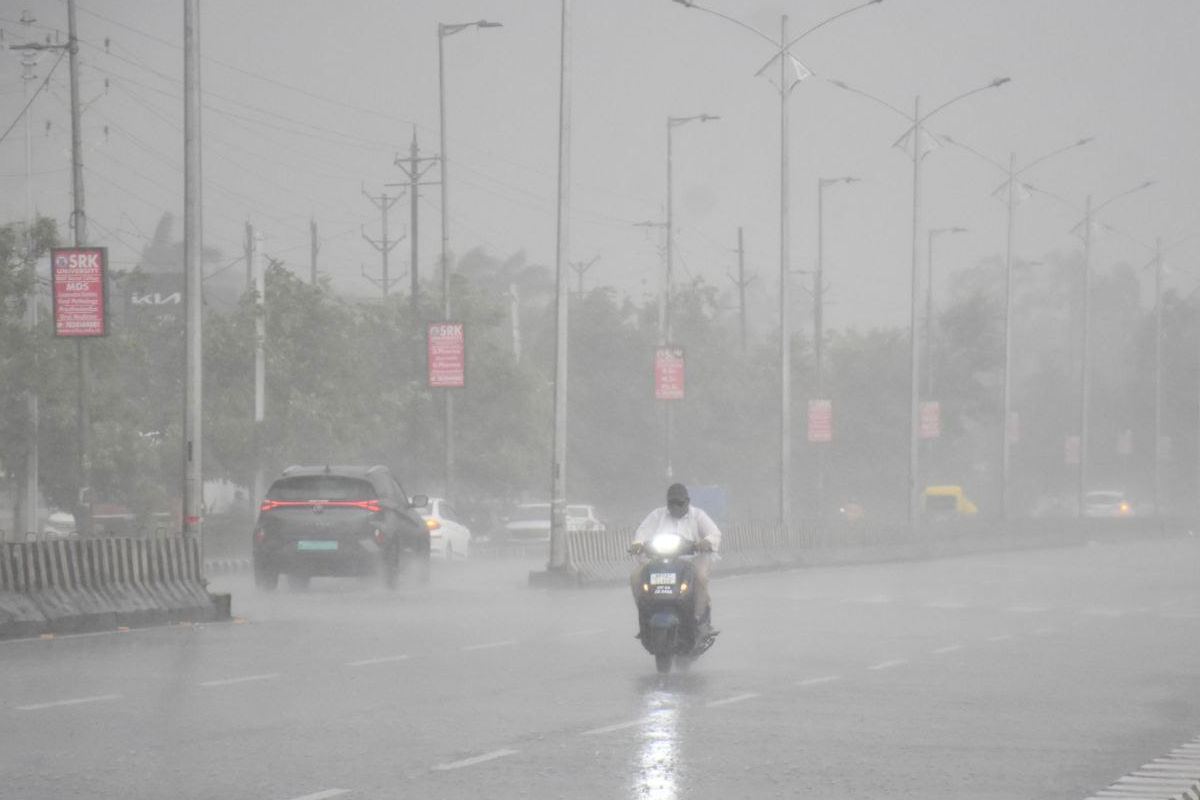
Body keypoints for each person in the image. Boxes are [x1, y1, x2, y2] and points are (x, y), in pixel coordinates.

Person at [629, 483, 722, 629]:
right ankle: (644, 615)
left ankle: (698, 618)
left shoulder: (698, 515)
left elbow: (715, 533)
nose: (676, 507)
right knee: (635, 577)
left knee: (701, 576)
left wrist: (706, 541)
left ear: (687, 501)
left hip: (691, 560)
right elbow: (642, 533)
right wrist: (638, 543)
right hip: (658, 561)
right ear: (667, 503)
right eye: (672, 503)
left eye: (680, 503)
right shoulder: (657, 515)